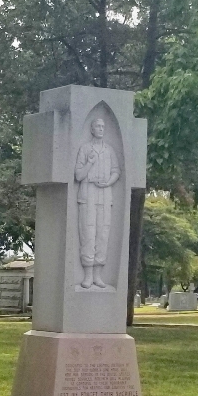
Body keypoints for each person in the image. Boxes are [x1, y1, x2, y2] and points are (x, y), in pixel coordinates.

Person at [75, 118, 120, 288]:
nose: (101, 129)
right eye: (97, 126)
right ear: (92, 129)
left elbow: (116, 171)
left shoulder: (109, 150)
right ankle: (87, 275)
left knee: (103, 233)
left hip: (105, 194)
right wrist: (90, 163)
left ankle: (98, 275)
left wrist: (108, 182)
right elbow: (78, 175)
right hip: (88, 193)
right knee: (88, 232)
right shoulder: (85, 149)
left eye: (103, 126)